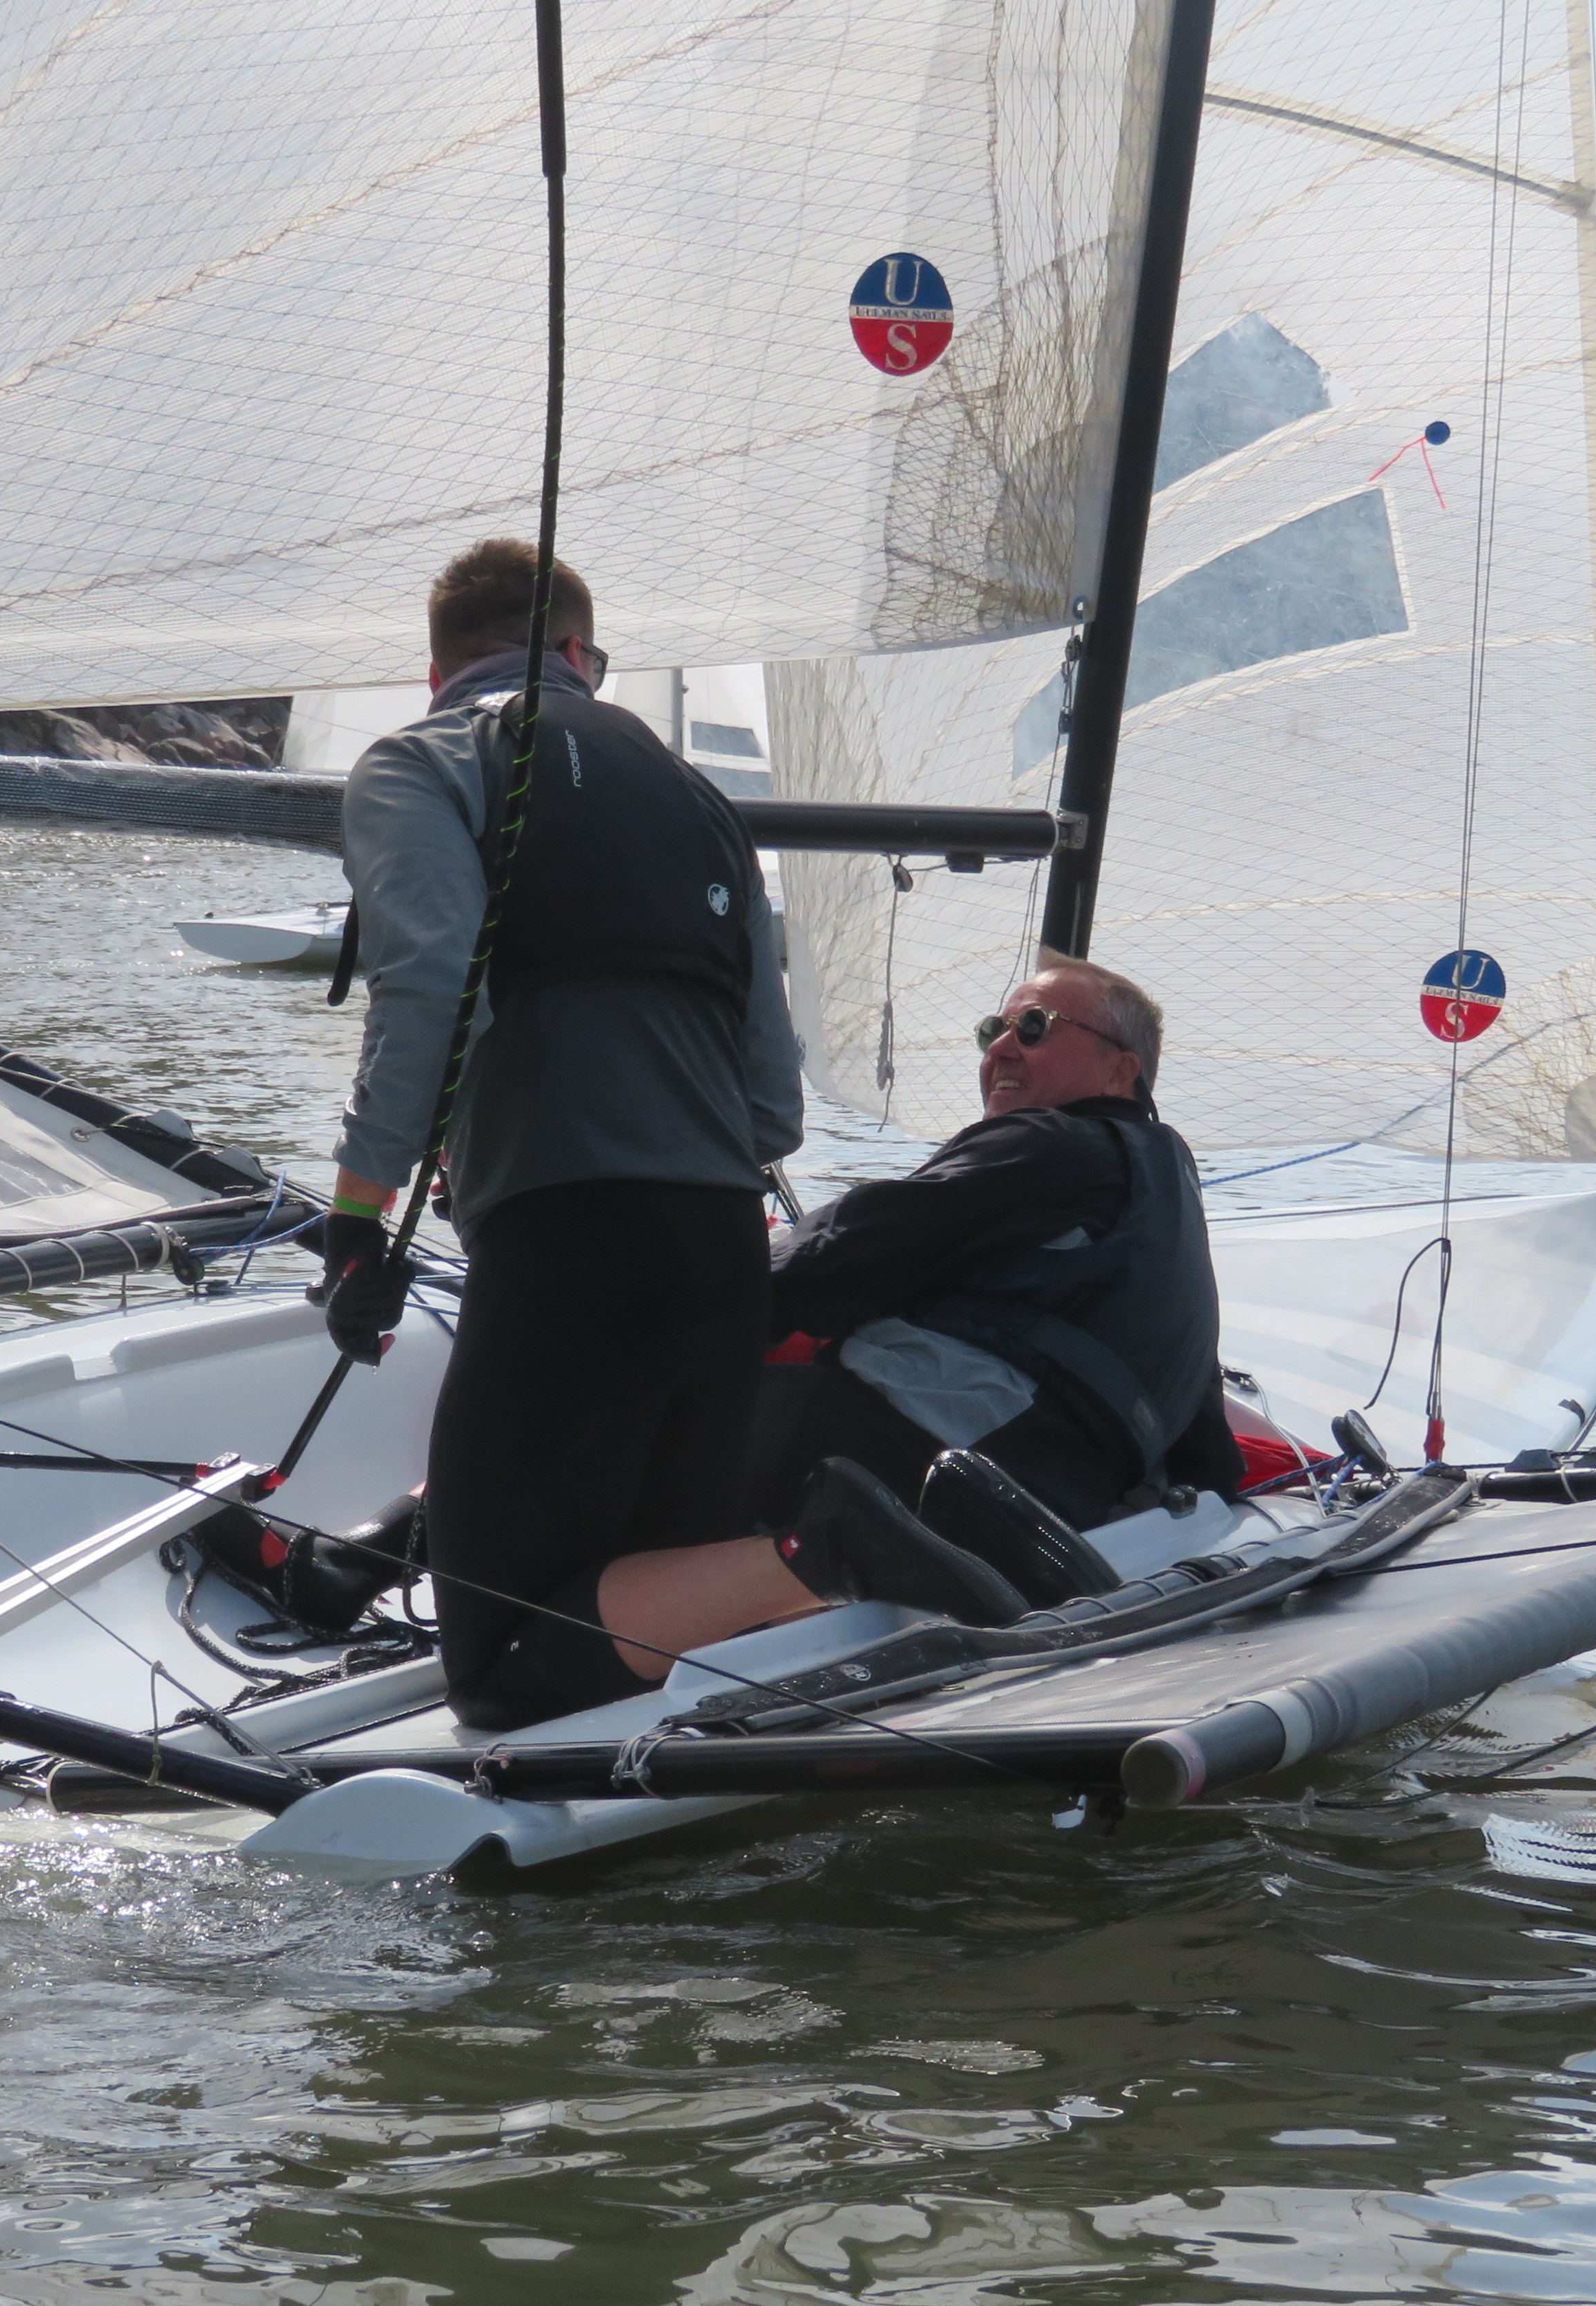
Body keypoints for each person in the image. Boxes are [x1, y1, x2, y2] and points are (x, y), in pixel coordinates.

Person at [312, 541, 1033, 1730]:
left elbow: (435, 983)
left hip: (564, 1244)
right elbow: (773, 1105)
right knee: (644, 1598)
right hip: (715, 1255)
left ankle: (819, 1553)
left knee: (492, 1657)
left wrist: (355, 1222)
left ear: (433, 664)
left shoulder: (423, 760)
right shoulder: (700, 803)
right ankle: (797, 1569)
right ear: (584, 660)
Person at [749, 957, 1244, 1600]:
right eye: (994, 1030)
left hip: (920, 1462)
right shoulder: (1164, 1193)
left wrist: (695, 1308)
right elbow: (1203, 1422)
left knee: (673, 1419)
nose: (1003, 1047)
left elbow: (848, 1245)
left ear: (1121, 1070)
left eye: (1035, 1027)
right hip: (1058, 1500)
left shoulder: (1053, 1143)